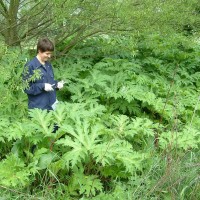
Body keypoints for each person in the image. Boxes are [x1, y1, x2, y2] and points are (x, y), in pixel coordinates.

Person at [23, 37, 64, 111]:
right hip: (39, 108)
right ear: (39, 51)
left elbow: (50, 82)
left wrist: (57, 84)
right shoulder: (30, 66)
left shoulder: (48, 64)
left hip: (52, 103)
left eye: (50, 54)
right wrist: (42, 86)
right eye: (47, 53)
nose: (49, 56)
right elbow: (26, 88)